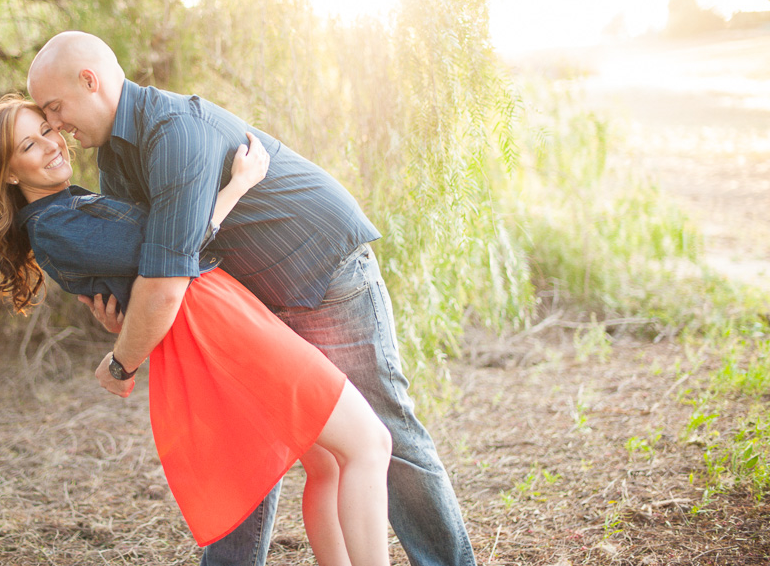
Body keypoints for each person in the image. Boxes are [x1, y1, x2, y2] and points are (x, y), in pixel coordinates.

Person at [26, 31, 477, 566]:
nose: (55, 125)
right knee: (289, 453)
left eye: (54, 109)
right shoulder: (114, 165)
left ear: (89, 81)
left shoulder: (175, 130)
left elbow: (168, 272)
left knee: (387, 435)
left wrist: (124, 358)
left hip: (323, 274)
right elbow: (153, 262)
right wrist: (125, 312)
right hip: (253, 301)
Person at [0, 94, 392, 565]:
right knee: (369, 444)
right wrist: (238, 185)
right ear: (8, 173)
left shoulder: (67, 206)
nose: (51, 144)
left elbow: (152, 263)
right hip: (214, 322)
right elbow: (172, 249)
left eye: (47, 130)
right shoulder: (55, 225)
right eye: (29, 144)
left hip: (215, 313)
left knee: (327, 462)